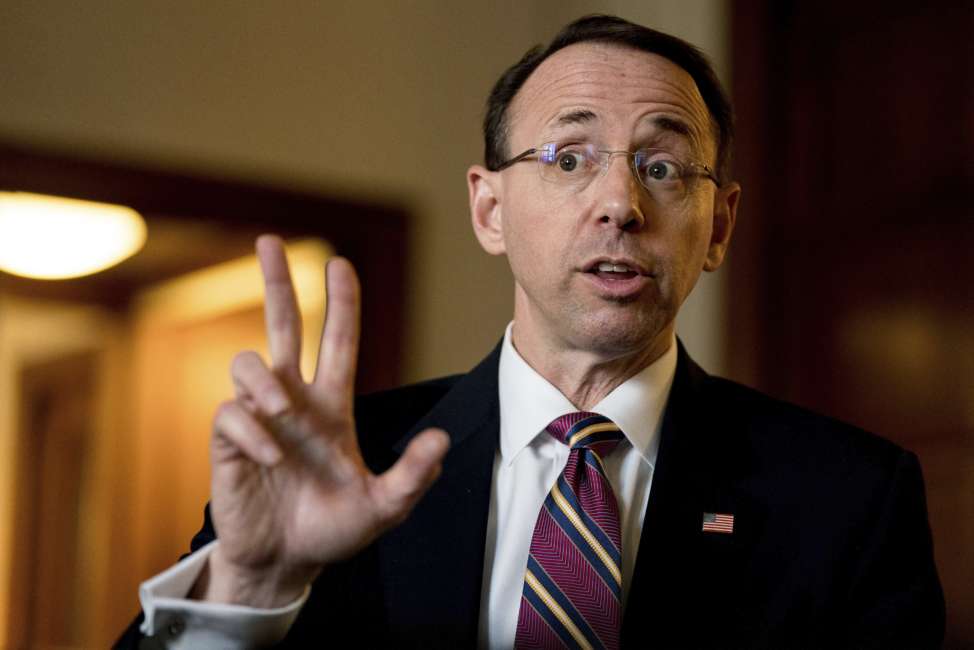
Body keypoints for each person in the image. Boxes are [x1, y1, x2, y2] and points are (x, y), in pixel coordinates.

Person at [116, 14, 944, 649]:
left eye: (662, 166)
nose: (621, 204)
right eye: (569, 158)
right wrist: (250, 588)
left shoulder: (850, 499)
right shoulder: (348, 461)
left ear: (720, 226)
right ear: (490, 209)